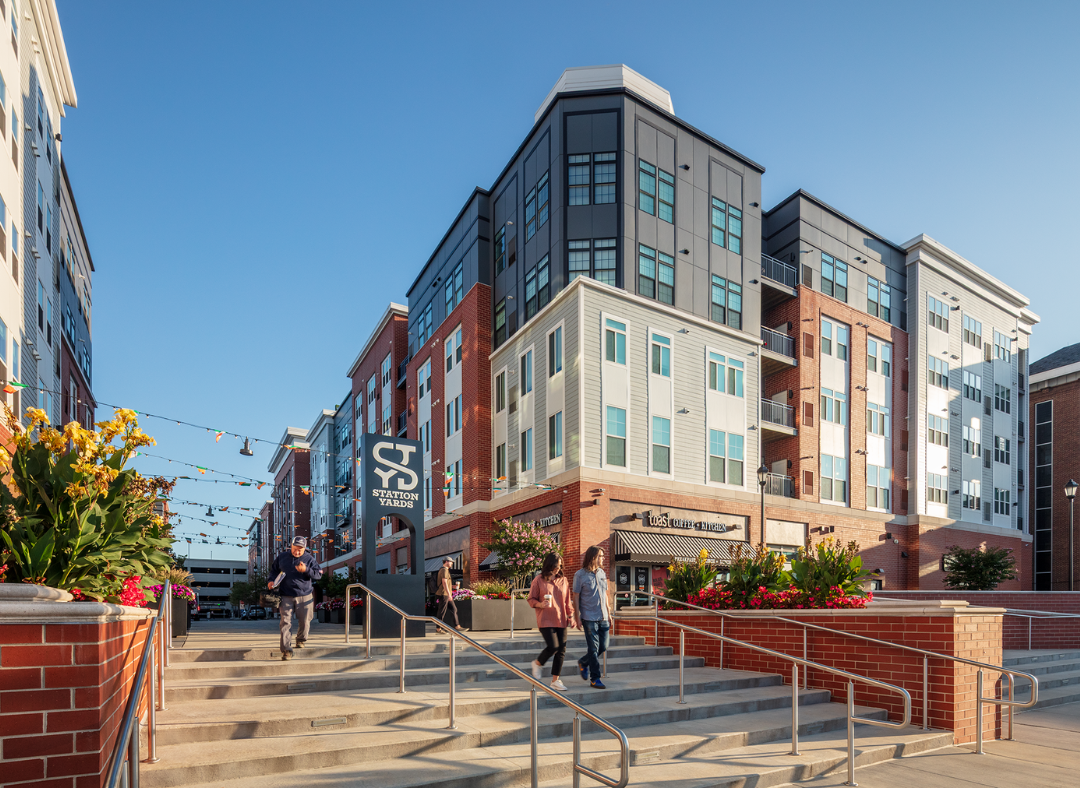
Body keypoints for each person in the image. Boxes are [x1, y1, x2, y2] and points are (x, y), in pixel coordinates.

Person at [268, 536, 323, 660]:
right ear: (290, 546)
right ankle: (286, 650)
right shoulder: (282, 557)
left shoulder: (309, 558)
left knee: (305, 621)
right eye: (295, 549)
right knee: (285, 622)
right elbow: (273, 571)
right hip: (285, 594)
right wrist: (271, 580)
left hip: (305, 595)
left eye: (300, 550)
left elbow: (318, 575)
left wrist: (306, 570)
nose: (297, 552)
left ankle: (301, 639)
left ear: (304, 549)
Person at [528, 552, 576, 691]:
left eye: (560, 566)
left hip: (561, 619)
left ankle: (555, 680)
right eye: (556, 566)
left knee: (562, 650)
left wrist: (571, 616)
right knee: (553, 646)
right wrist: (540, 604)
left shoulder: (564, 580)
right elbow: (531, 599)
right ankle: (537, 663)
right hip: (545, 619)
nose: (558, 569)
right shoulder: (538, 580)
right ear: (549, 565)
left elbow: (567, 601)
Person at [572, 545, 610, 689]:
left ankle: (583, 661)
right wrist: (577, 616)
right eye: (600, 556)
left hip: (604, 616)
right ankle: (595, 678)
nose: (603, 558)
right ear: (593, 557)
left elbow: (605, 594)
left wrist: (609, 612)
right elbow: (576, 596)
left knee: (603, 646)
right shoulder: (579, 575)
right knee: (593, 649)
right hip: (589, 617)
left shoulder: (602, 573)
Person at [436, 557, 467, 631]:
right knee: (442, 611)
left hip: (445, 593)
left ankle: (457, 626)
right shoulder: (444, 570)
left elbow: (445, 583)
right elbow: (444, 583)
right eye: (451, 562)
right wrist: (449, 594)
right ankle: (438, 628)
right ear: (446, 561)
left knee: (454, 609)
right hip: (444, 594)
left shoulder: (445, 570)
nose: (452, 563)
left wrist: (453, 586)